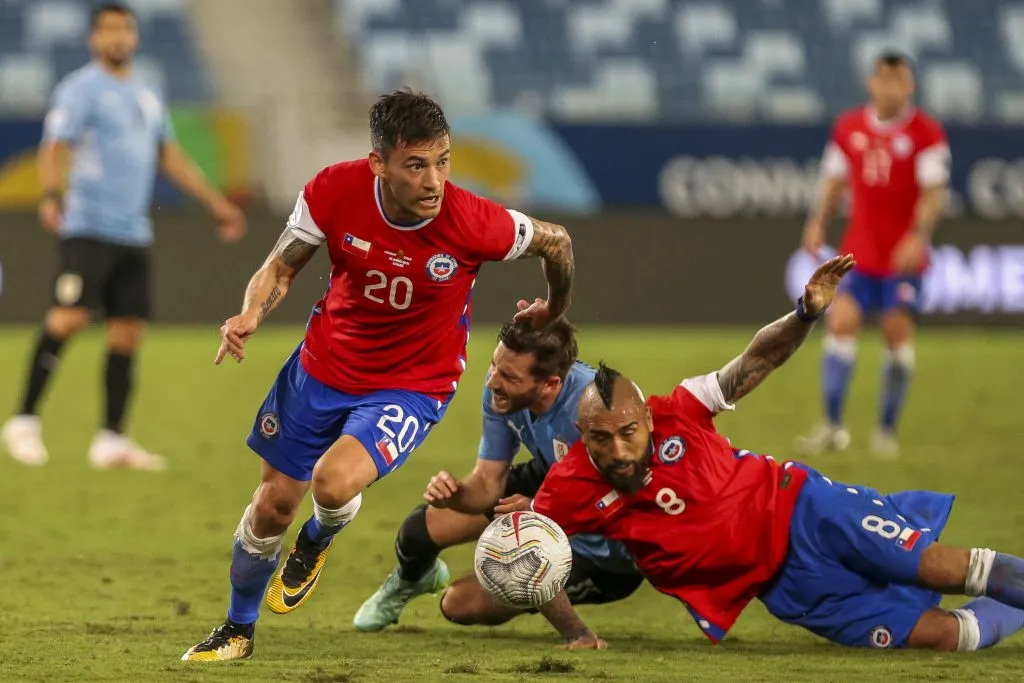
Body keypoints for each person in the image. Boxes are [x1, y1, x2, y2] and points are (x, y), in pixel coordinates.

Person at [180, 89, 575, 662]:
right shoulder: (333, 191)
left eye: (442, 161)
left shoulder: (474, 221)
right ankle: (238, 631)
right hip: (321, 368)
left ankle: (318, 537)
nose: (433, 180)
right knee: (270, 506)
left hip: (412, 385)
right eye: (415, 165)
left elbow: (556, 241)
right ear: (378, 164)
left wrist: (554, 307)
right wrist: (249, 313)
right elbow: (280, 267)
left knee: (333, 483)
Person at [523, 254, 1024, 652]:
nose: (617, 449)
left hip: (806, 507)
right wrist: (574, 631)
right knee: (944, 637)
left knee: (941, 567)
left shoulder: (681, 408)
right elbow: (533, 561)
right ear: (581, 435)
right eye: (600, 439)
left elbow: (755, 361)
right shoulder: (568, 485)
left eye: (627, 432)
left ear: (648, 420)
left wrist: (805, 314)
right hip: (783, 583)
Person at [0, 2, 246, 470]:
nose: (118, 38)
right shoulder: (80, 90)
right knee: (68, 317)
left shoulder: (146, 93)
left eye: (125, 30)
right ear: (94, 38)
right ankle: (24, 420)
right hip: (88, 226)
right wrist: (52, 195)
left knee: (127, 331)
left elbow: (168, 155)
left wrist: (216, 204)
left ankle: (111, 439)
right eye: (109, 30)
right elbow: (53, 146)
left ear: (134, 37)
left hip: (133, 232)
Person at [353, 319, 640, 646]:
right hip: (550, 478)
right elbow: (488, 483)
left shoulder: (599, 410)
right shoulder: (504, 395)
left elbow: (628, 498)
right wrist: (456, 496)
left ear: (550, 384)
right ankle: (409, 581)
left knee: (457, 604)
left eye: (508, 377)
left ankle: (578, 633)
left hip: (608, 544)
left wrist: (539, 510)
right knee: (422, 529)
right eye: (494, 367)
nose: (492, 382)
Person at [798, 51, 950, 457]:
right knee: (841, 323)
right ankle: (832, 425)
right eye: (884, 79)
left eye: (898, 80)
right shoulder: (848, 128)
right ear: (872, 83)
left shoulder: (927, 134)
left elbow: (934, 195)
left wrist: (918, 236)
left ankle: (885, 430)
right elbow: (833, 182)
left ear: (910, 86)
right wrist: (817, 222)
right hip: (859, 253)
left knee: (895, 332)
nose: (890, 88)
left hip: (903, 259)